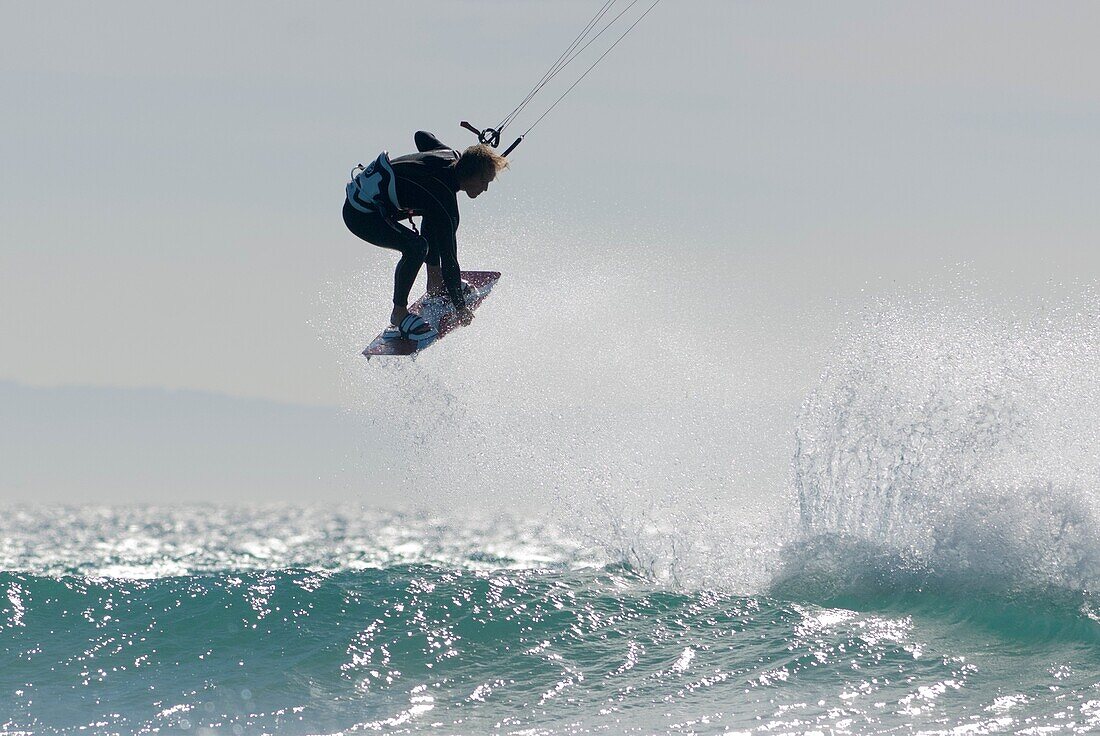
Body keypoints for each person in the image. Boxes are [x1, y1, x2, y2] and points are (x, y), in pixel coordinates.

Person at [343, 131, 508, 344]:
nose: (485, 188)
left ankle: (435, 282)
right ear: (471, 175)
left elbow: (421, 136)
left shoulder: (448, 155)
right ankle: (399, 313)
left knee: (432, 214)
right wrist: (460, 307)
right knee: (416, 247)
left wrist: (474, 155)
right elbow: (450, 259)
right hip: (361, 216)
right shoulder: (443, 198)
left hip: (367, 200)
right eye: (484, 181)